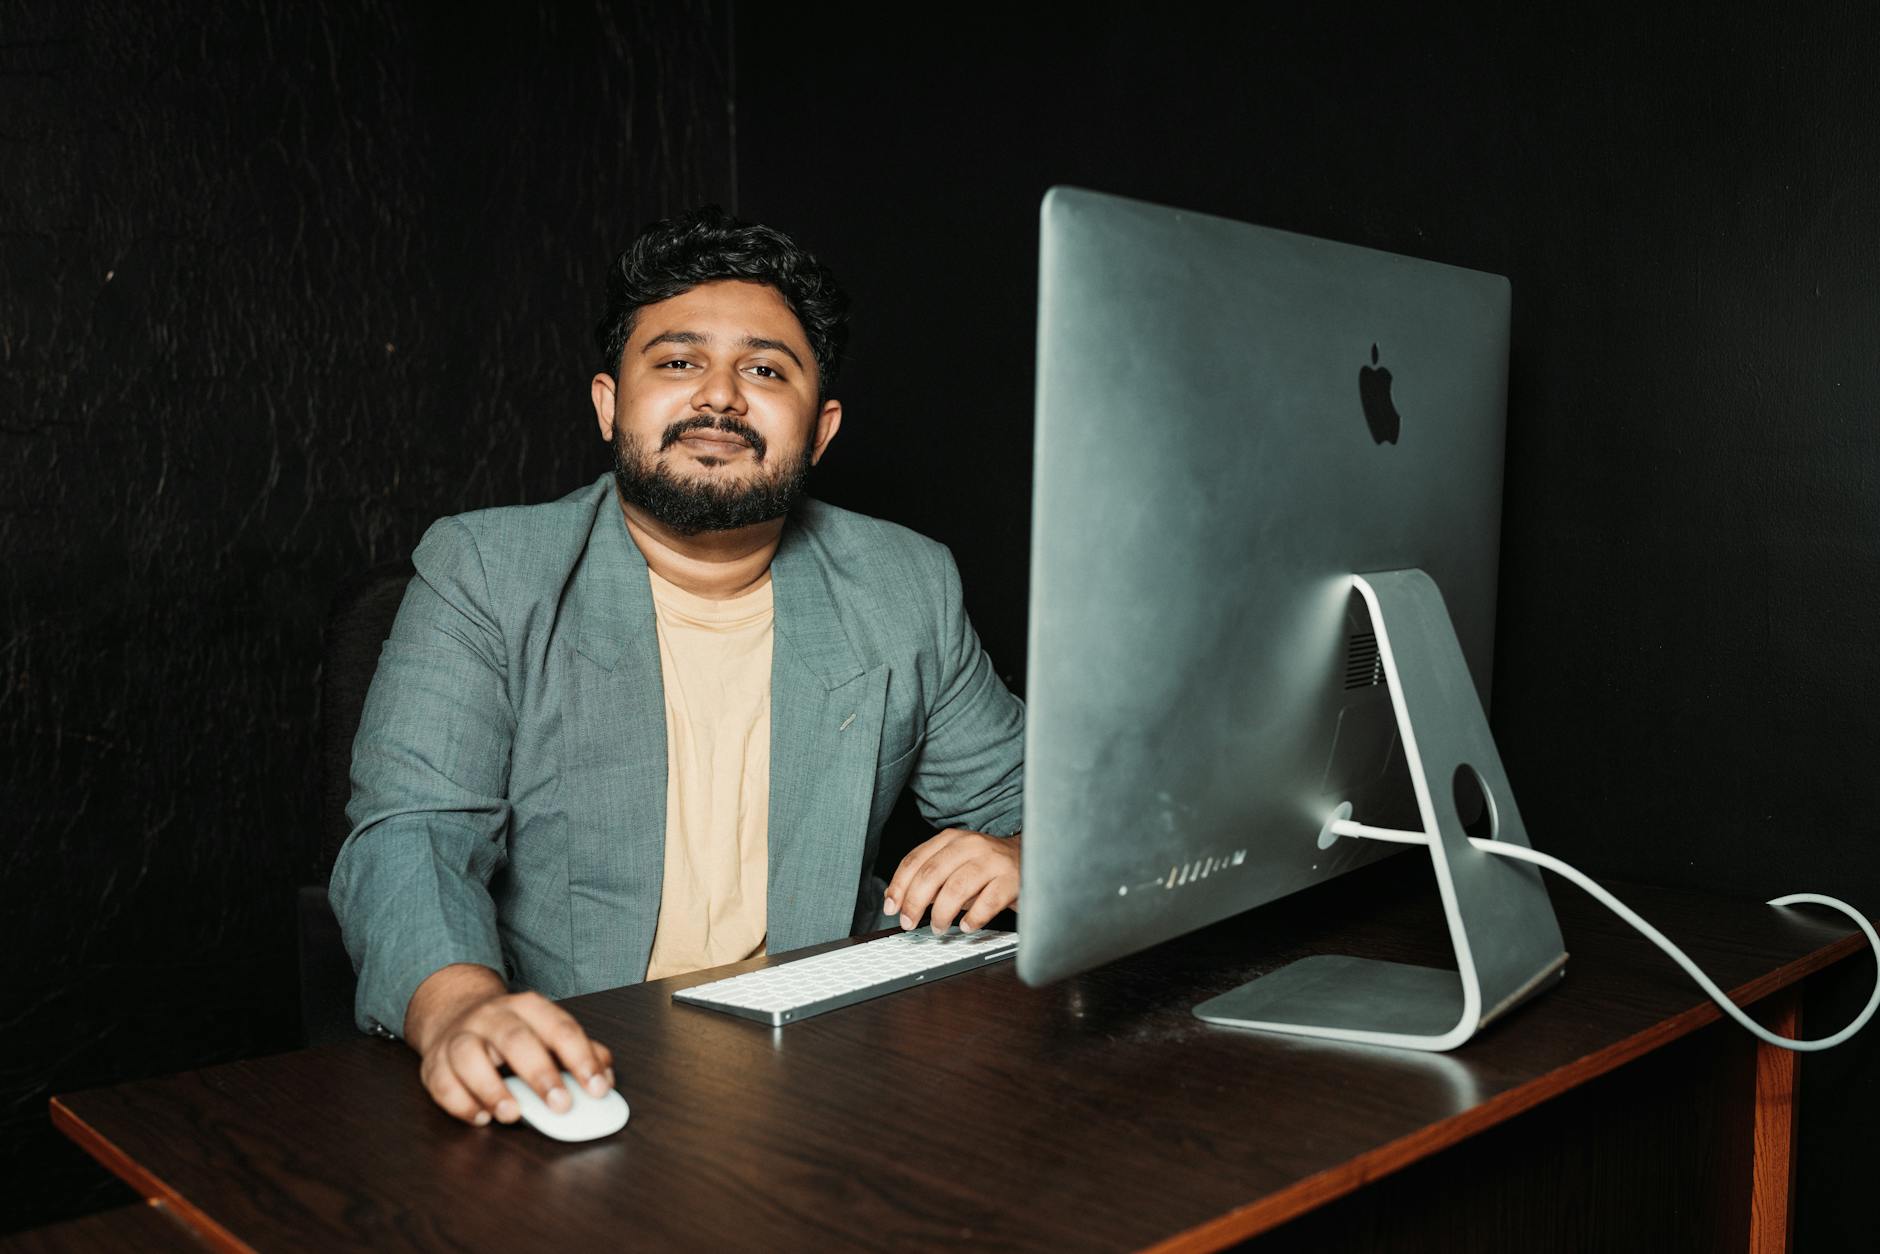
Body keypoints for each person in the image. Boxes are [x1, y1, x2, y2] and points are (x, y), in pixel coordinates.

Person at [330, 207, 1025, 1128]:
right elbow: (410, 837)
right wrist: (462, 1007)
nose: (722, 398)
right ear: (610, 403)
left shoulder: (905, 583)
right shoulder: (489, 572)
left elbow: (1041, 806)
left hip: (829, 1075)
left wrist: (1025, 855)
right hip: (579, 1068)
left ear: (819, 430)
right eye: (678, 361)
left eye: (766, 369)